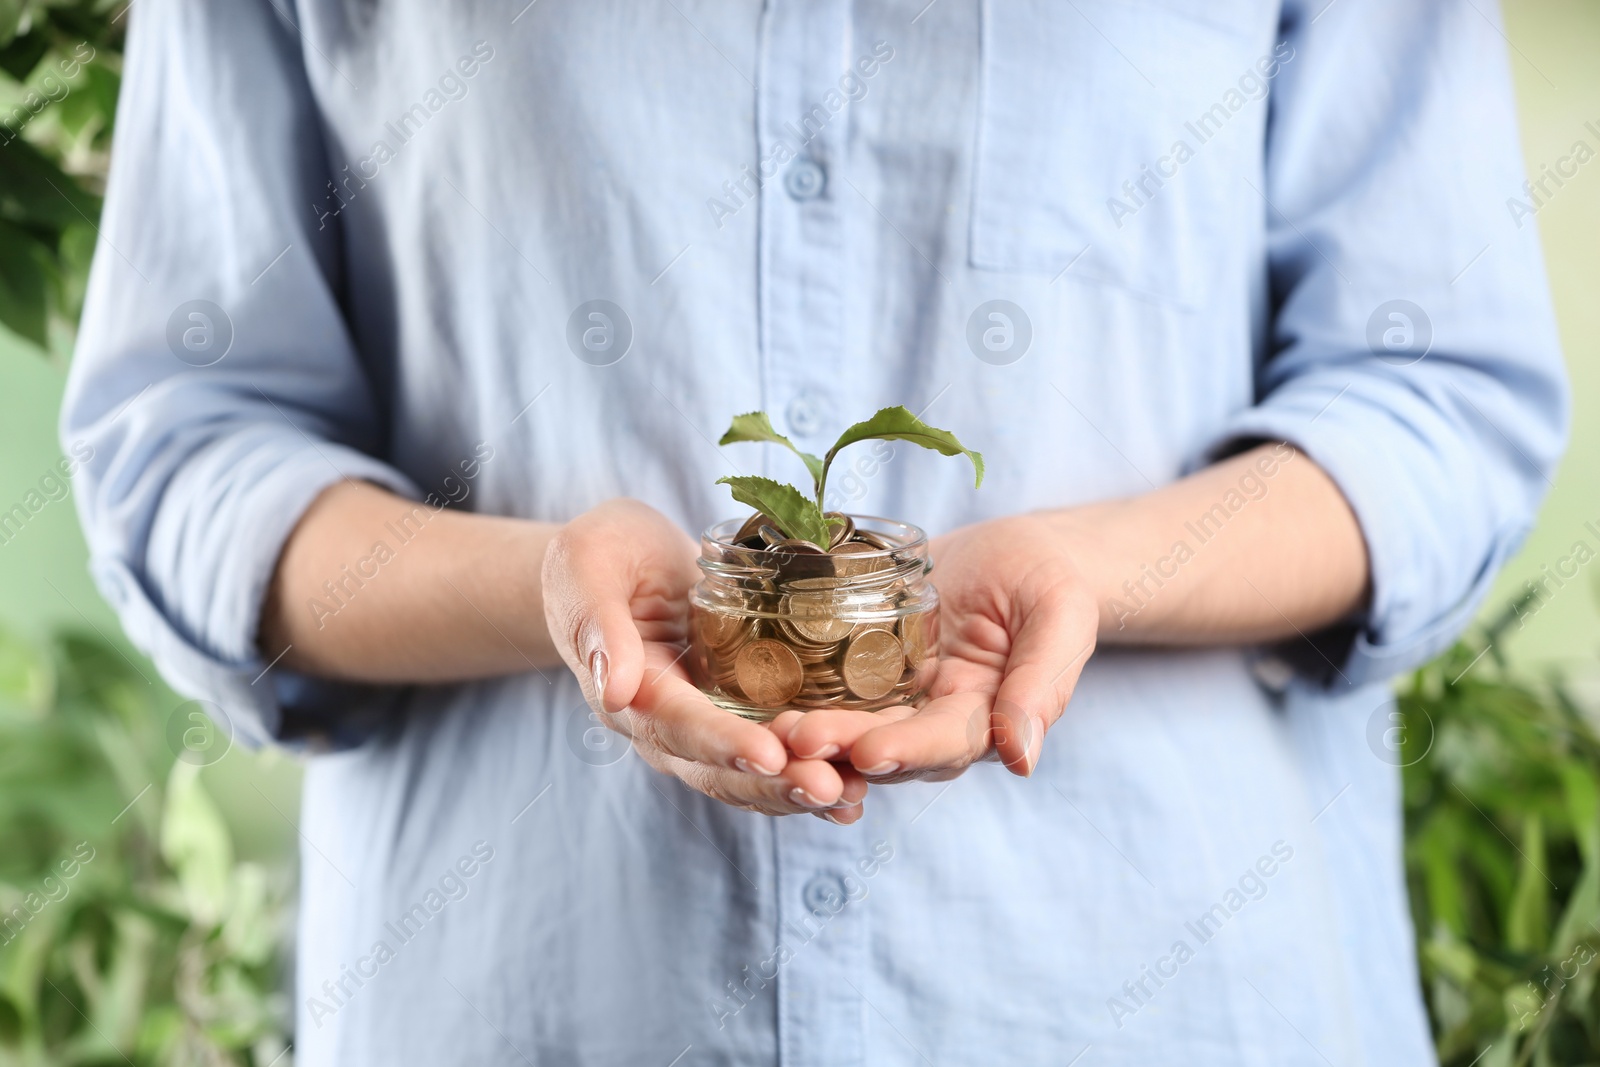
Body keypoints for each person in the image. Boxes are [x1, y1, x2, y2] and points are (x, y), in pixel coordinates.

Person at [63, 0, 1566, 1063]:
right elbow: (187, 440)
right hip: (536, 1007)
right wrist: (536, 590)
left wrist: (1099, 571)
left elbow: (1437, 395)